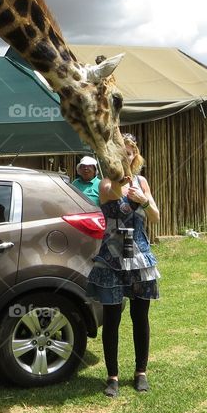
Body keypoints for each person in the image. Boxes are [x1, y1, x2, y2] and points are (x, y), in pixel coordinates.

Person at [86, 133, 160, 397]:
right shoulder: (106, 184)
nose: (125, 157)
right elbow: (115, 193)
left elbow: (155, 216)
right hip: (112, 257)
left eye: (128, 153)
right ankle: (112, 377)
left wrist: (145, 200)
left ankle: (141, 373)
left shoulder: (142, 182)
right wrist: (123, 183)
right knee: (113, 318)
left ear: (134, 155)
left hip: (139, 254)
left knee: (140, 316)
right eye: (119, 154)